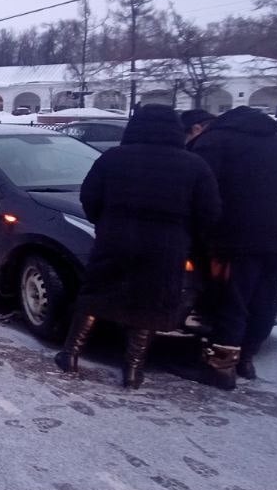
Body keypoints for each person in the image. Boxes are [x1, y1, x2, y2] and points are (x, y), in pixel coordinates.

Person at [55, 105, 221, 389]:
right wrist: (183, 235)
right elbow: (210, 212)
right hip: (166, 247)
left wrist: (105, 222)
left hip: (115, 238)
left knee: (96, 294)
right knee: (148, 304)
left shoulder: (113, 158)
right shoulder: (193, 164)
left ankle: (70, 354)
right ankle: (133, 370)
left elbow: (89, 196)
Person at [189, 105, 277, 386]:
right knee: (264, 299)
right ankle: (247, 360)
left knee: (233, 301)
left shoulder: (213, 142)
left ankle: (220, 369)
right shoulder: (272, 140)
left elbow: (200, 190)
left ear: (198, 128)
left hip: (237, 237)